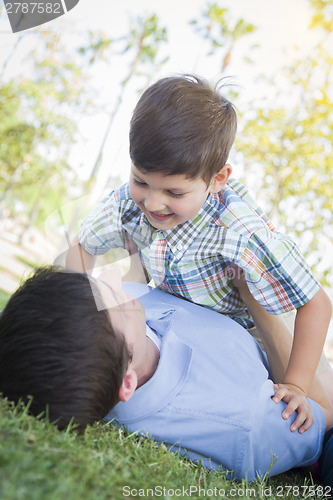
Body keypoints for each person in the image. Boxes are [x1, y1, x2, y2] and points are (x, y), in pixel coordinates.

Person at [66, 75, 333, 430]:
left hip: (246, 331)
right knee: (130, 254)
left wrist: (296, 383)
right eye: (141, 180)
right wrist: (73, 308)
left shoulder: (238, 230)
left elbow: (315, 303)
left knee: (317, 413)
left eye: (174, 192)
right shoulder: (127, 205)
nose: (153, 201)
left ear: (217, 180)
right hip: (177, 314)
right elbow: (82, 248)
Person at [0, 265, 332, 482]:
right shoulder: (245, 421)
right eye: (116, 301)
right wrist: (252, 293)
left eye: (102, 288)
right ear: (127, 382)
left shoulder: (120, 330)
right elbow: (323, 416)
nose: (120, 288)